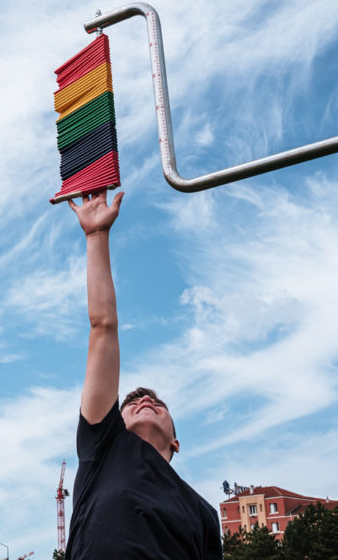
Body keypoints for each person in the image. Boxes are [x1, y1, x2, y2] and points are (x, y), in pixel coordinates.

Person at [64, 190, 222, 559]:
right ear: (111, 422)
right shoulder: (104, 448)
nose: (146, 400)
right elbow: (103, 326)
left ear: (177, 443)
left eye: (158, 403)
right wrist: (96, 237)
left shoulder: (202, 513)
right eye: (132, 401)